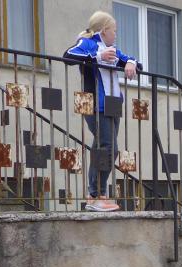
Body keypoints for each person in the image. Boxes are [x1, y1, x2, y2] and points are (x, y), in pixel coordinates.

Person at [64, 11, 140, 212]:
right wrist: (97, 57)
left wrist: (130, 63)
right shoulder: (88, 43)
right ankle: (96, 194)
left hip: (113, 104)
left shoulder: (113, 49)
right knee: (108, 147)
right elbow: (68, 56)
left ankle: (97, 194)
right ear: (104, 30)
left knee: (106, 147)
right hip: (94, 103)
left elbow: (134, 62)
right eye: (114, 30)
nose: (116, 34)